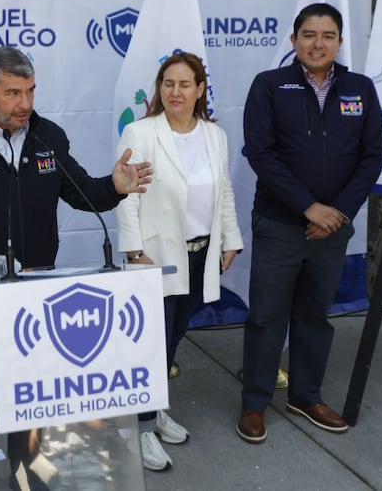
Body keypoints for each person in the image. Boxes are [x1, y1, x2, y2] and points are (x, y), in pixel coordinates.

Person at [0, 47, 152, 490]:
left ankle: (25, 459)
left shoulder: (49, 138)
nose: (24, 103)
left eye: (29, 91)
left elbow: (84, 193)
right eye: (12, 93)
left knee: (33, 378)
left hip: (38, 288)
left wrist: (115, 187)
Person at [237, 2, 382, 444]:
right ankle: (254, 403)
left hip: (333, 228)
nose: (317, 43)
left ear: (340, 42)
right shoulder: (269, 85)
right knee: (266, 316)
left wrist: (336, 213)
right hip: (281, 223)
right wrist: (308, 208)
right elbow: (260, 153)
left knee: (314, 315)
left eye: (327, 36)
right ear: (294, 40)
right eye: (308, 34)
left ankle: (305, 395)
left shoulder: (360, 87)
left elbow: (372, 155)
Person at [115, 51, 244, 471]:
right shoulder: (140, 131)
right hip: (155, 256)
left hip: (200, 254)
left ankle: (151, 412)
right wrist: (135, 251)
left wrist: (230, 240)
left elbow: (223, 191)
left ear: (200, 89)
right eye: (168, 83)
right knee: (150, 342)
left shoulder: (214, 136)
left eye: (185, 84)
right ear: (159, 88)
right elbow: (126, 195)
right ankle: (142, 426)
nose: (175, 91)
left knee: (172, 339)